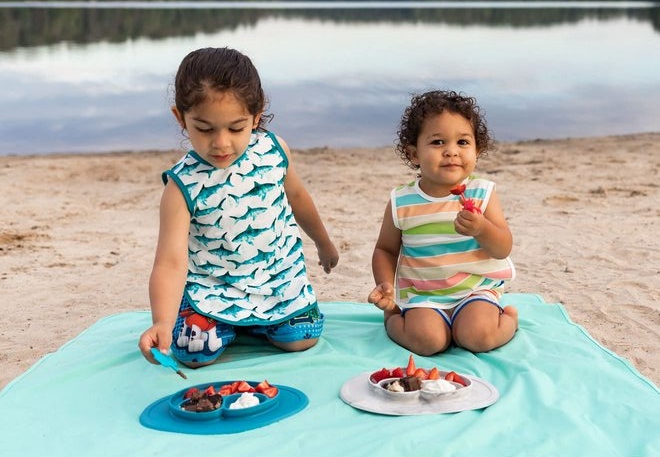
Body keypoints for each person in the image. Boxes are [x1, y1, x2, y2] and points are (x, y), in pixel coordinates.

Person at [138, 46, 339, 368]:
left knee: (302, 339)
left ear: (256, 117)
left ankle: (257, 322)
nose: (221, 143)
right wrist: (161, 321)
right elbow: (170, 263)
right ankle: (218, 320)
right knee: (192, 354)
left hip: (277, 280)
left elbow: (298, 198)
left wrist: (323, 242)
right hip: (213, 287)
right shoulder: (181, 186)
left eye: (236, 128)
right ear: (180, 118)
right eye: (204, 129)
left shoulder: (274, 150)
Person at [368, 90, 518, 355]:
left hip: (474, 291)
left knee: (477, 338)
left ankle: (509, 318)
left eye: (462, 142)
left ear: (477, 150)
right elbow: (385, 250)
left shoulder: (482, 193)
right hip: (425, 296)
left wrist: (482, 228)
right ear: (414, 154)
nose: (451, 152)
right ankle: (392, 318)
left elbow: (502, 248)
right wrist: (385, 285)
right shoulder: (402, 201)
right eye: (438, 142)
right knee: (427, 342)